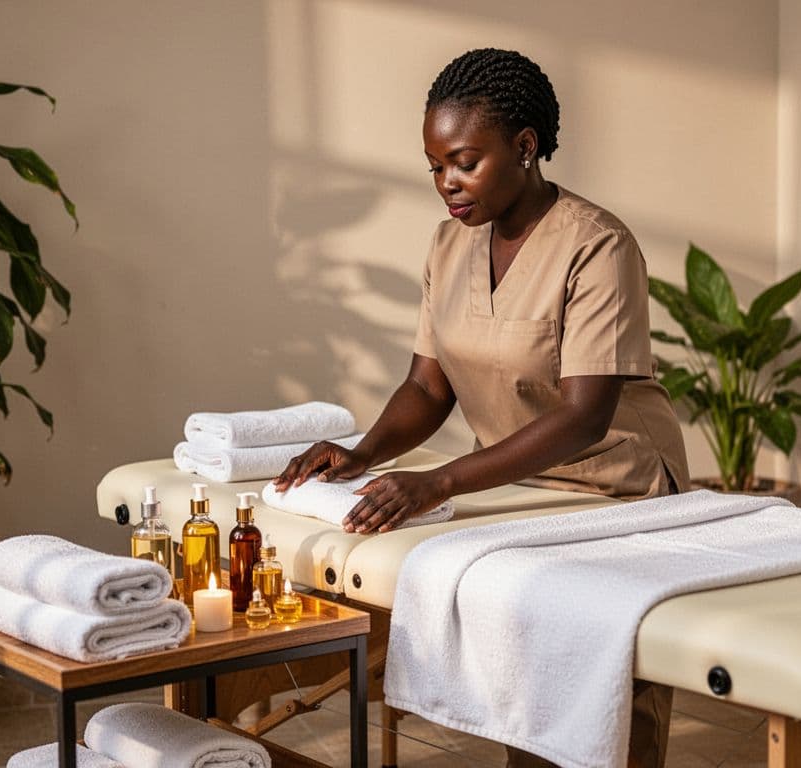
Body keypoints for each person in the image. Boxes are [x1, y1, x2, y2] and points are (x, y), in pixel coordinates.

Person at [273, 48, 689, 768]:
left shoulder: (596, 244)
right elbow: (428, 388)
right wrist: (363, 453)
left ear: (525, 147)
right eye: (435, 166)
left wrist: (438, 482)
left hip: (620, 495)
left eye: (464, 162)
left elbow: (584, 416)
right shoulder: (449, 243)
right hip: (521, 487)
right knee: (526, 698)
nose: (446, 184)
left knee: (598, 718)